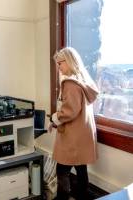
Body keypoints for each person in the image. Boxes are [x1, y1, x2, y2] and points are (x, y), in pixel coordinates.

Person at [49, 47, 99, 200]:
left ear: (69, 62)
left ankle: (63, 198)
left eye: (60, 64)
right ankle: (82, 195)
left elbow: (69, 111)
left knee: (62, 170)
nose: (58, 67)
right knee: (80, 167)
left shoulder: (70, 84)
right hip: (83, 133)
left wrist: (54, 118)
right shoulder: (83, 80)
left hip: (72, 135)